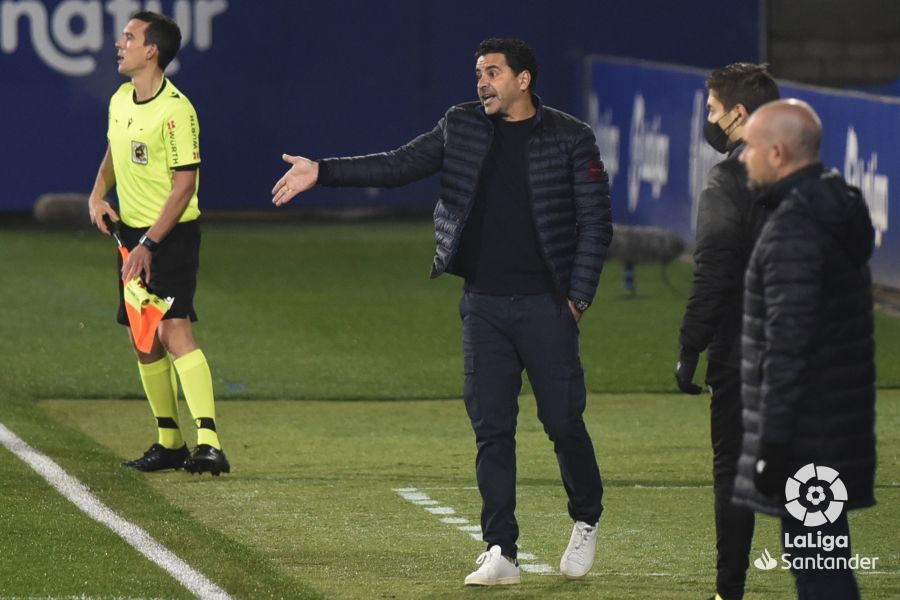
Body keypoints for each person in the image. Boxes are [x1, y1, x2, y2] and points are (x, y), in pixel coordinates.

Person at [271, 38, 612, 585]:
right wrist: (324, 171)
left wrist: (577, 300)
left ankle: (586, 518)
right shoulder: (462, 124)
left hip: (548, 306)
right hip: (482, 305)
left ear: (524, 80)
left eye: (493, 72)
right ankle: (501, 549)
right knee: (491, 428)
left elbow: (597, 223)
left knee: (563, 422)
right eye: (479, 72)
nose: (482, 82)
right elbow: (400, 165)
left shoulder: (571, 137)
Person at [735, 99, 876, 599]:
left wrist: (773, 444)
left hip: (808, 437)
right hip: (833, 425)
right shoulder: (831, 210)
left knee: (819, 570)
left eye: (749, 147)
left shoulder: (796, 227)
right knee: (821, 561)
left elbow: (789, 342)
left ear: (777, 153)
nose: (741, 158)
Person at [87, 11, 229, 475]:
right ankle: (170, 441)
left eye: (129, 37)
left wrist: (149, 243)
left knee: (174, 330)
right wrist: (97, 192)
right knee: (142, 339)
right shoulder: (120, 100)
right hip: (131, 236)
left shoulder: (177, 111)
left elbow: (184, 187)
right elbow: (113, 149)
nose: (120, 44)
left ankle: (208, 442)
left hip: (169, 236)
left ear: (152, 50)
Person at [673, 63, 779, 600]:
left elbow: (714, 268)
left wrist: (690, 346)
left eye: (713, 110)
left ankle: (729, 591)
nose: (709, 120)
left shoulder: (729, 179)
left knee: (735, 473)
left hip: (745, 352)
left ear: (738, 113)